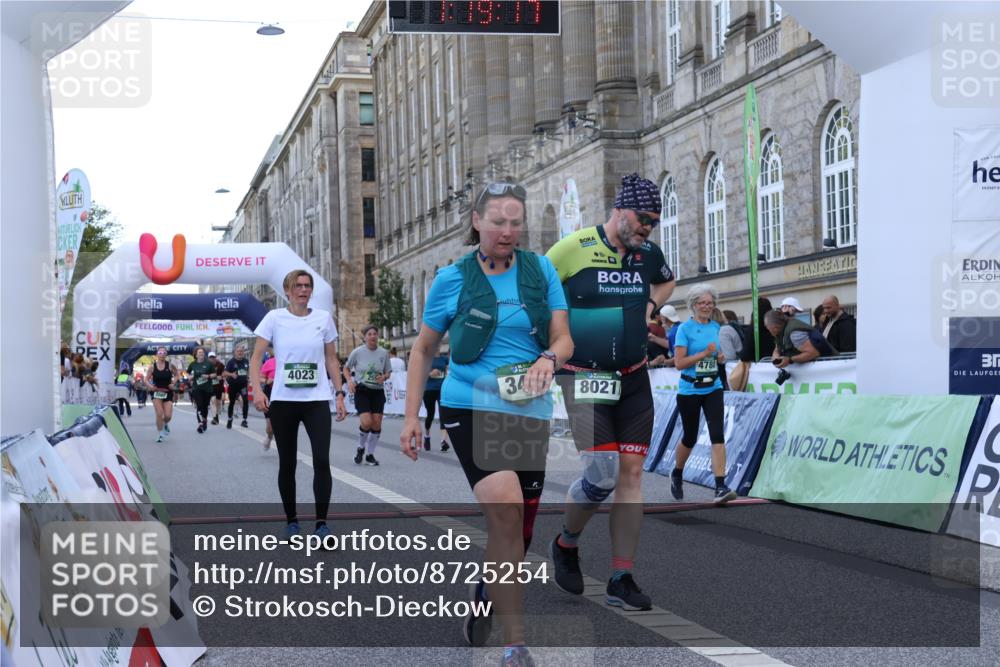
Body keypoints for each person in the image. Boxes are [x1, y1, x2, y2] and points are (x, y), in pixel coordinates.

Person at [400, 181, 572, 662]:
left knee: (519, 533)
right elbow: (424, 348)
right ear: (476, 221)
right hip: (469, 404)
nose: (508, 230)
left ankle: (486, 594)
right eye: (498, 221)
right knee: (507, 509)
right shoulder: (452, 279)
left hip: (529, 410)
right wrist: (413, 416)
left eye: (516, 221)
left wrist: (548, 360)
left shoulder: (540, 272)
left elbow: (563, 339)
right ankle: (514, 644)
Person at [545, 173, 675, 612]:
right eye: (642, 220)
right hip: (584, 377)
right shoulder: (572, 248)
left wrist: (652, 308)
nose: (647, 229)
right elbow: (538, 291)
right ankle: (566, 543)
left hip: (635, 376)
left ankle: (621, 575)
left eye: (654, 223)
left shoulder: (648, 254)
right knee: (601, 476)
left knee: (632, 476)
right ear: (619, 210)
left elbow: (666, 280)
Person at [250, 269, 347, 540]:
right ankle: (292, 522)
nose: (303, 290)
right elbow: (256, 357)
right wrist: (258, 390)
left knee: (322, 461)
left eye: (307, 286)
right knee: (288, 463)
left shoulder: (323, 318)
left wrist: (339, 393)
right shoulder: (274, 318)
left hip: (316, 400)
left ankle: (321, 524)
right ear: (288, 290)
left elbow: (330, 359)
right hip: (283, 401)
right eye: (298, 286)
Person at [670, 284, 736, 503]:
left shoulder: (716, 327)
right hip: (689, 389)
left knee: (717, 433)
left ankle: (720, 486)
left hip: (713, 387)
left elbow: (718, 354)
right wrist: (704, 353)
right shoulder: (684, 329)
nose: (707, 306)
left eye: (710, 303)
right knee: (689, 437)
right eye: (703, 303)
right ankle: (677, 472)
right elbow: (679, 363)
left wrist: (719, 358)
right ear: (693, 305)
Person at [345, 326, 392, 466]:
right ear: (365, 337)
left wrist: (384, 377)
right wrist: (349, 381)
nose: (372, 336)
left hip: (377, 391)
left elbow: (388, 372)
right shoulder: (357, 352)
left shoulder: (383, 353)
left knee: (377, 423)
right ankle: (360, 448)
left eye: (375, 334)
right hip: (362, 390)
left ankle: (370, 454)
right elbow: (346, 368)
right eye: (369, 334)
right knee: (366, 422)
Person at [765, 309, 837, 367]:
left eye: (767, 326)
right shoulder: (780, 331)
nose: (767, 329)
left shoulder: (794, 333)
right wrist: (776, 357)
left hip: (829, 366)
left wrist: (790, 360)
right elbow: (777, 349)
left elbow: (813, 353)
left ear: (774, 327)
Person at [145, 347, 176, 443]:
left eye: (164, 352)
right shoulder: (152, 367)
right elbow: (146, 379)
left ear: (166, 354)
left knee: (167, 416)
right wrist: (151, 386)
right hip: (156, 392)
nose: (162, 354)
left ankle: (165, 424)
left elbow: (177, 375)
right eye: (160, 352)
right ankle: (160, 434)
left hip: (168, 392)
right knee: (159, 413)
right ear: (157, 354)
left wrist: (173, 383)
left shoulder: (170, 365)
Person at [422, 354, 451, 451]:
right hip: (429, 390)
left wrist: (447, 376)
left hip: (441, 390)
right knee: (430, 415)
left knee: (443, 414)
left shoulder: (444, 359)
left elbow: (447, 371)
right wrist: (430, 374)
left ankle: (443, 441)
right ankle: (427, 436)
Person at [187, 347, 217, 433]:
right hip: (197, 388)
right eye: (199, 353)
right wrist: (189, 377)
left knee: (204, 407)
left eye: (202, 352)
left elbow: (215, 374)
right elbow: (187, 373)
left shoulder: (209, 364)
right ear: (196, 355)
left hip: (207, 389)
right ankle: (200, 424)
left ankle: (204, 420)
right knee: (199, 405)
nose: (201, 354)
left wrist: (208, 376)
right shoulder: (193, 364)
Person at [223, 344, 251, 428]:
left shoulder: (246, 361)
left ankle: (244, 420)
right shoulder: (231, 362)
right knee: (231, 402)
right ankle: (230, 419)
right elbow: (225, 373)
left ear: (243, 352)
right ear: (235, 352)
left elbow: (247, 371)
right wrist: (231, 374)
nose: (240, 353)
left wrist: (248, 377)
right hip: (233, 386)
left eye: (241, 351)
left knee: (245, 401)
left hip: (243, 386)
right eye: (238, 351)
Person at [259, 345, 277, 451]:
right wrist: (267, 381)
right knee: (270, 427)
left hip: (286, 394)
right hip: (270, 393)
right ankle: (269, 436)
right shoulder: (269, 362)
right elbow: (260, 378)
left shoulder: (291, 360)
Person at [208, 351, 226, 424]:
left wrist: (221, 376)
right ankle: (215, 418)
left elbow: (225, 374)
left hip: (219, 386)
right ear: (208, 358)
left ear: (215, 358)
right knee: (213, 400)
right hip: (210, 386)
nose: (212, 359)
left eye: (213, 357)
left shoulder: (220, 365)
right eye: (210, 358)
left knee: (218, 402)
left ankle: (217, 416)